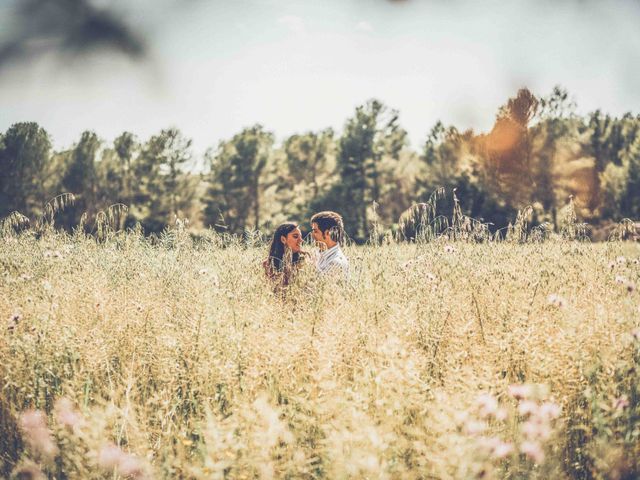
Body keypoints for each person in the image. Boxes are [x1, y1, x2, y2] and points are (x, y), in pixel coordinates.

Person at [263, 222, 307, 287]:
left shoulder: (304, 260)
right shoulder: (268, 264)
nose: (301, 240)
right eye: (295, 236)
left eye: (301, 237)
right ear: (283, 239)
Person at [310, 211, 349, 276]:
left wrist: (311, 267)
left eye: (315, 231)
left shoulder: (336, 263)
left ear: (328, 233)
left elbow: (319, 284)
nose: (312, 235)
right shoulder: (318, 255)